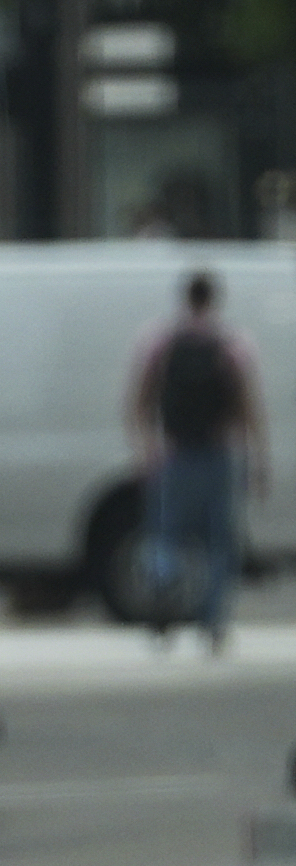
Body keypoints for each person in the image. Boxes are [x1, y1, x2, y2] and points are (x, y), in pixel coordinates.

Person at [127, 270, 268, 648]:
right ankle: (212, 620)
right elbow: (249, 406)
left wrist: (145, 447)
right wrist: (259, 460)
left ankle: (162, 599)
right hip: (219, 452)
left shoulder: (160, 341)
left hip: (172, 454)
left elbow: (138, 401)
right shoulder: (232, 344)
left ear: (184, 297)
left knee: (166, 534)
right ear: (214, 299)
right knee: (219, 541)